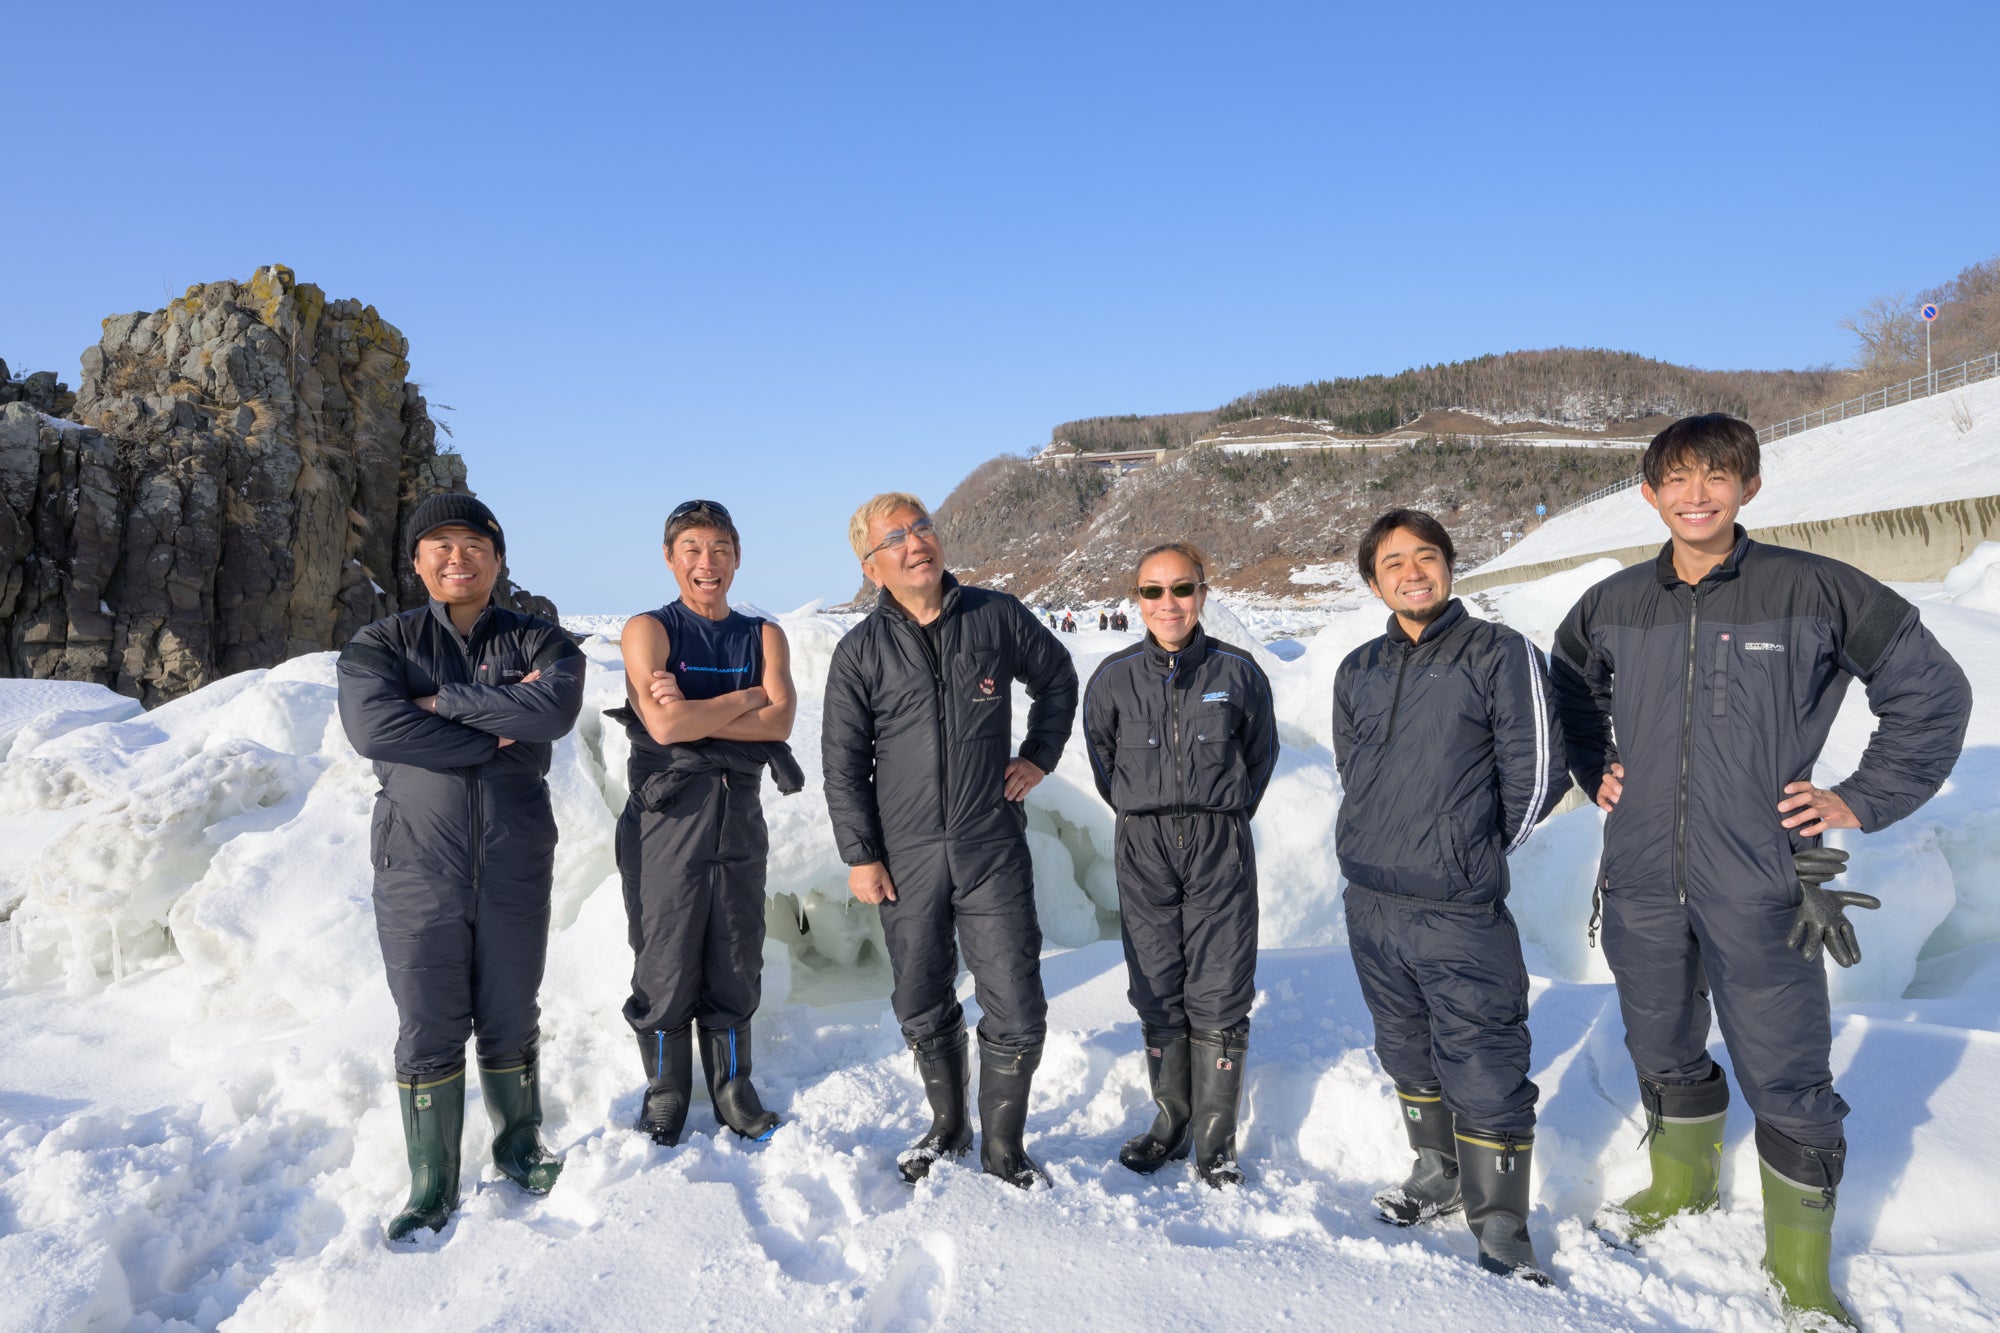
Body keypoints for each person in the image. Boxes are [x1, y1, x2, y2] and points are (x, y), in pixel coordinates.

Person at [1550, 414, 1970, 1326]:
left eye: (1717, 476)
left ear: (1749, 487)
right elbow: (1570, 692)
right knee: (1660, 1041)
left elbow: (1933, 692)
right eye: (1677, 478)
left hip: (1761, 876)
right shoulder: (1612, 601)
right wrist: (1593, 764)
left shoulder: (1816, 588)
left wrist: (1860, 796)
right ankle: (1682, 1185)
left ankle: (1801, 1270)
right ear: (1650, 493)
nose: (1696, 495)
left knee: (1788, 1071)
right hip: (1641, 876)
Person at [337, 492, 586, 1241]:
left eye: (474, 544)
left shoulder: (543, 640)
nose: (458, 557)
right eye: (439, 545)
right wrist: (493, 726)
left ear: (497, 558)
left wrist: (439, 702)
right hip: (417, 863)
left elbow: (551, 714)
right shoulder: (381, 643)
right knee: (428, 1021)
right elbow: (373, 727)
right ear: (416, 562)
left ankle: (518, 1147)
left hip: (515, 855)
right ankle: (432, 1181)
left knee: (511, 1010)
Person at [1332, 508, 1567, 1283]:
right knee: (1404, 1045)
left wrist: (1470, 848)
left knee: (1484, 1055)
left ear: (1449, 564)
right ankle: (1437, 1170)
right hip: (1371, 901)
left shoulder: (1498, 652)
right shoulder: (1358, 668)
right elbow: (1352, 768)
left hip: (1458, 905)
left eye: (1425, 555)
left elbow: (1539, 774)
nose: (1412, 572)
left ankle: (1501, 1221)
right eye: (1393, 562)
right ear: (1374, 583)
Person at [821, 493, 1079, 1187]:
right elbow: (843, 763)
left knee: (1016, 1000)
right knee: (919, 997)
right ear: (871, 567)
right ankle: (949, 1126)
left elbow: (1057, 680)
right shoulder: (859, 652)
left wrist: (1039, 755)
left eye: (922, 528)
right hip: (906, 854)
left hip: (988, 840)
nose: (916, 544)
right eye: (895, 538)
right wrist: (861, 854)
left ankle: (1004, 1146)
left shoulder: (996, 616)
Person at [1083, 542, 1276, 1186]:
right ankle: (1171, 1120)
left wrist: (1217, 813)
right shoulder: (1112, 678)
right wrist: (1150, 812)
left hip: (1220, 844)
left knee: (1220, 986)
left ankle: (1215, 1142)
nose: (1169, 603)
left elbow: (1259, 757)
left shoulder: (1239, 672)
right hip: (1143, 847)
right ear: (1137, 599)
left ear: (1202, 593)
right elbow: (1105, 764)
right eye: (1153, 591)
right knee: (1156, 984)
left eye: (1182, 588)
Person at [609, 499, 801, 1148]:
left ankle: (732, 1088)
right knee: (663, 958)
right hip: (665, 822)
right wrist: (746, 698)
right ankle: (666, 1092)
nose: (706, 561)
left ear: (737, 557)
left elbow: (780, 722)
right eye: (691, 548)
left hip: (738, 819)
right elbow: (665, 726)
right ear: (670, 558)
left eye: (720, 548)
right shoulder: (649, 629)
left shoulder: (763, 635)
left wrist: (701, 713)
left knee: (737, 953)